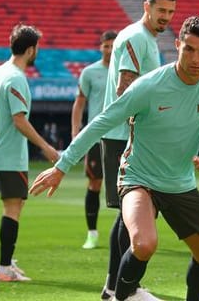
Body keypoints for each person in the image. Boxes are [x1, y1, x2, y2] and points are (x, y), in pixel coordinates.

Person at [30, 16, 199, 301]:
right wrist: (62, 165)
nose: (195, 58)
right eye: (189, 49)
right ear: (177, 45)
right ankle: (121, 296)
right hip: (139, 178)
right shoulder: (150, 86)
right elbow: (101, 122)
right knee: (144, 243)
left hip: (179, 183)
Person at [98, 0, 177, 300]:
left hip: (126, 135)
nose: (166, 17)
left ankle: (115, 287)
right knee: (129, 213)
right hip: (123, 136)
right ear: (147, 6)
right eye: (161, 10)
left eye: (171, 12)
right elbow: (125, 90)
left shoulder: (146, 39)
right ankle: (122, 288)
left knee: (127, 214)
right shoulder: (135, 38)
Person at [0, 23, 60, 282]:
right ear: (30, 50)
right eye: (36, 47)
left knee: (15, 205)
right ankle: (4, 268)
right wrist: (46, 147)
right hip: (8, 154)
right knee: (13, 209)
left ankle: (8, 259)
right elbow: (19, 120)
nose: (37, 51)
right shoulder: (16, 77)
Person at [71, 30, 117, 249]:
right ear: (101, 47)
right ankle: (92, 233)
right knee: (94, 183)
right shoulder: (90, 72)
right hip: (96, 136)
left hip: (121, 135)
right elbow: (79, 103)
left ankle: (127, 234)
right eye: (106, 45)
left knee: (128, 185)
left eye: (112, 45)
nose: (109, 49)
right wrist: (75, 133)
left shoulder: (125, 71)